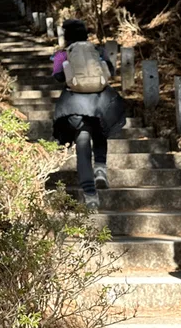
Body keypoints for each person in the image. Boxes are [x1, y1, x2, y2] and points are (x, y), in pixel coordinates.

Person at [50, 19, 125, 211]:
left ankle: (90, 195)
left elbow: (58, 76)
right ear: (85, 34)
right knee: (100, 132)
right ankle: (100, 169)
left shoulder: (63, 54)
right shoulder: (96, 50)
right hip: (99, 104)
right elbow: (110, 70)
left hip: (75, 106)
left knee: (82, 145)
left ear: (66, 36)